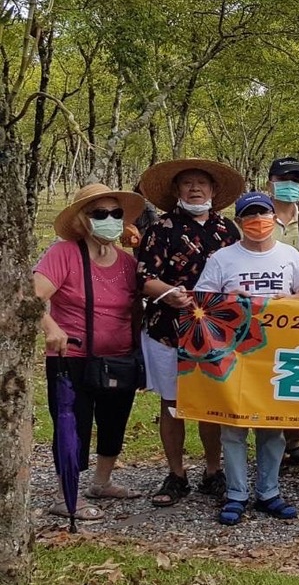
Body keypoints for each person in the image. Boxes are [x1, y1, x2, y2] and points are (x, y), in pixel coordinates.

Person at [196, 192, 299, 525]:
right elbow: (202, 300)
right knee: (233, 427)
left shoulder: (288, 254)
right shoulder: (223, 259)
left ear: (273, 218)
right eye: (249, 215)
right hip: (235, 355)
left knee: (271, 428)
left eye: (263, 213)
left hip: (276, 356)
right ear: (239, 222)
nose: (258, 221)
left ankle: (269, 492)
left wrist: (288, 299)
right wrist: (230, 299)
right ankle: (236, 494)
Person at [34, 185, 147, 521]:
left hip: (119, 358)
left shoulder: (128, 263)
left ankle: (102, 482)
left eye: (116, 214)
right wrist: (52, 327)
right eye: (100, 214)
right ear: (84, 219)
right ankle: (64, 493)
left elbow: (138, 306)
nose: (109, 219)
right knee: (73, 425)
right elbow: (32, 296)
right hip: (72, 358)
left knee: (114, 421)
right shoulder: (64, 254)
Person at [136, 158, 245, 507]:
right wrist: (170, 293)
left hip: (215, 331)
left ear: (214, 191)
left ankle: (213, 471)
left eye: (201, 183)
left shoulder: (227, 231)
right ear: (176, 190)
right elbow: (143, 278)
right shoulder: (161, 228)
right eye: (187, 183)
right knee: (172, 402)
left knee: (210, 401)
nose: (195, 189)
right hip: (167, 327)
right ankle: (176, 473)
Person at [268, 156, 299, 465]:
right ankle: (266, 432)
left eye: (297, 181)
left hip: (298, 308)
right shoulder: (256, 217)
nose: (291, 186)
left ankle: (294, 437)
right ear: (270, 182)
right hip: (263, 310)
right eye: (285, 179)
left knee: (295, 369)